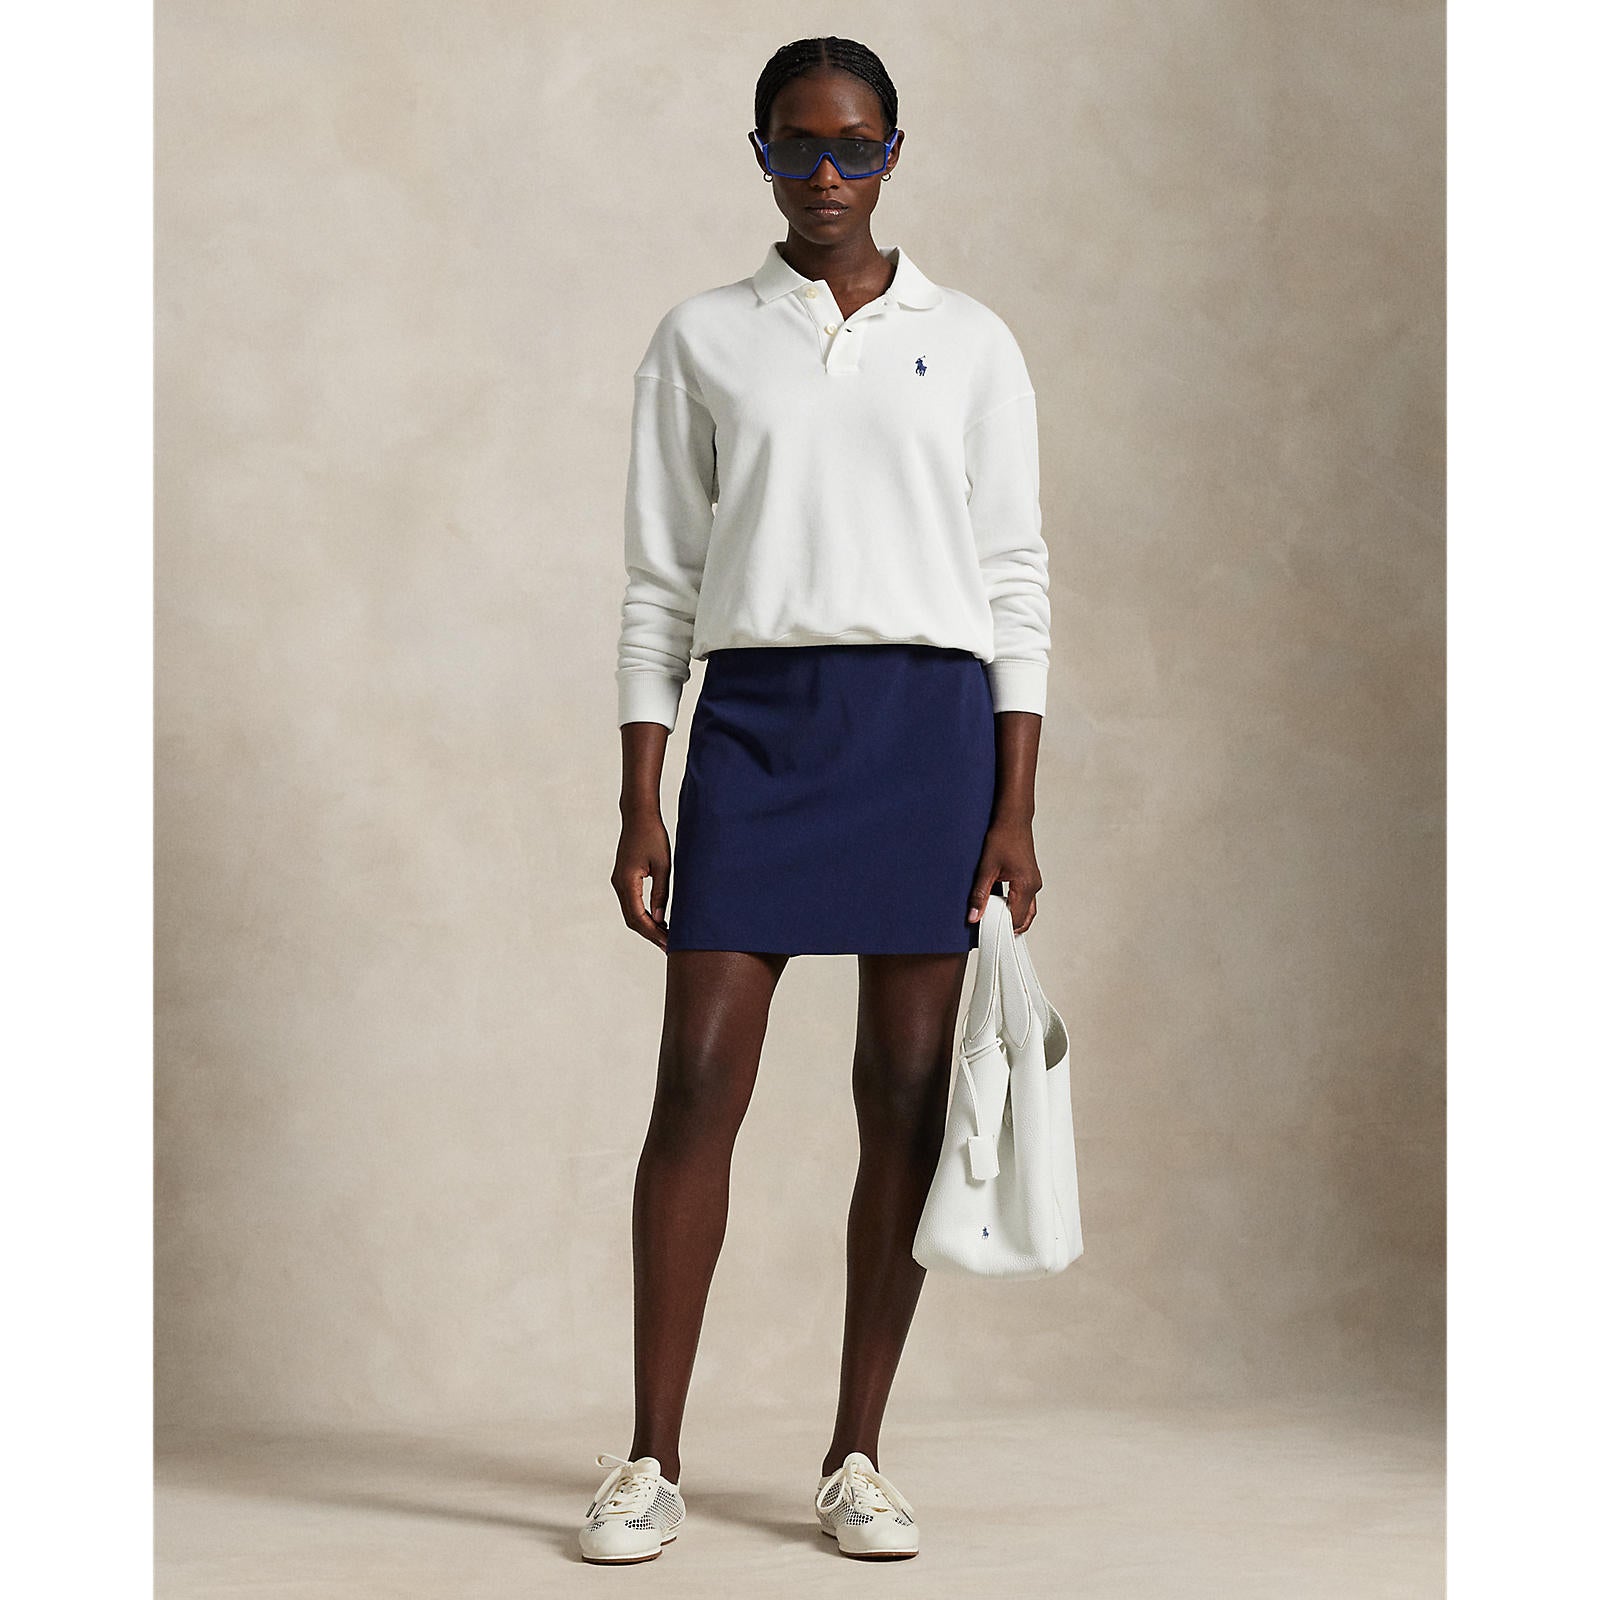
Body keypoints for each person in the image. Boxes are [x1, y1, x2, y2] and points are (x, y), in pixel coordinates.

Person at [581, 34, 1050, 1566]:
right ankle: (651, 1459)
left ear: (895, 154)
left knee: (904, 1097)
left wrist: (1016, 806)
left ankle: (857, 1454)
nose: (827, 172)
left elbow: (1015, 578)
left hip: (928, 737)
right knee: (696, 1083)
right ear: (761, 155)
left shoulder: (970, 342)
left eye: (854, 145)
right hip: (759, 733)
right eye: (797, 144)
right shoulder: (702, 339)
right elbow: (659, 580)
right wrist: (644, 795)